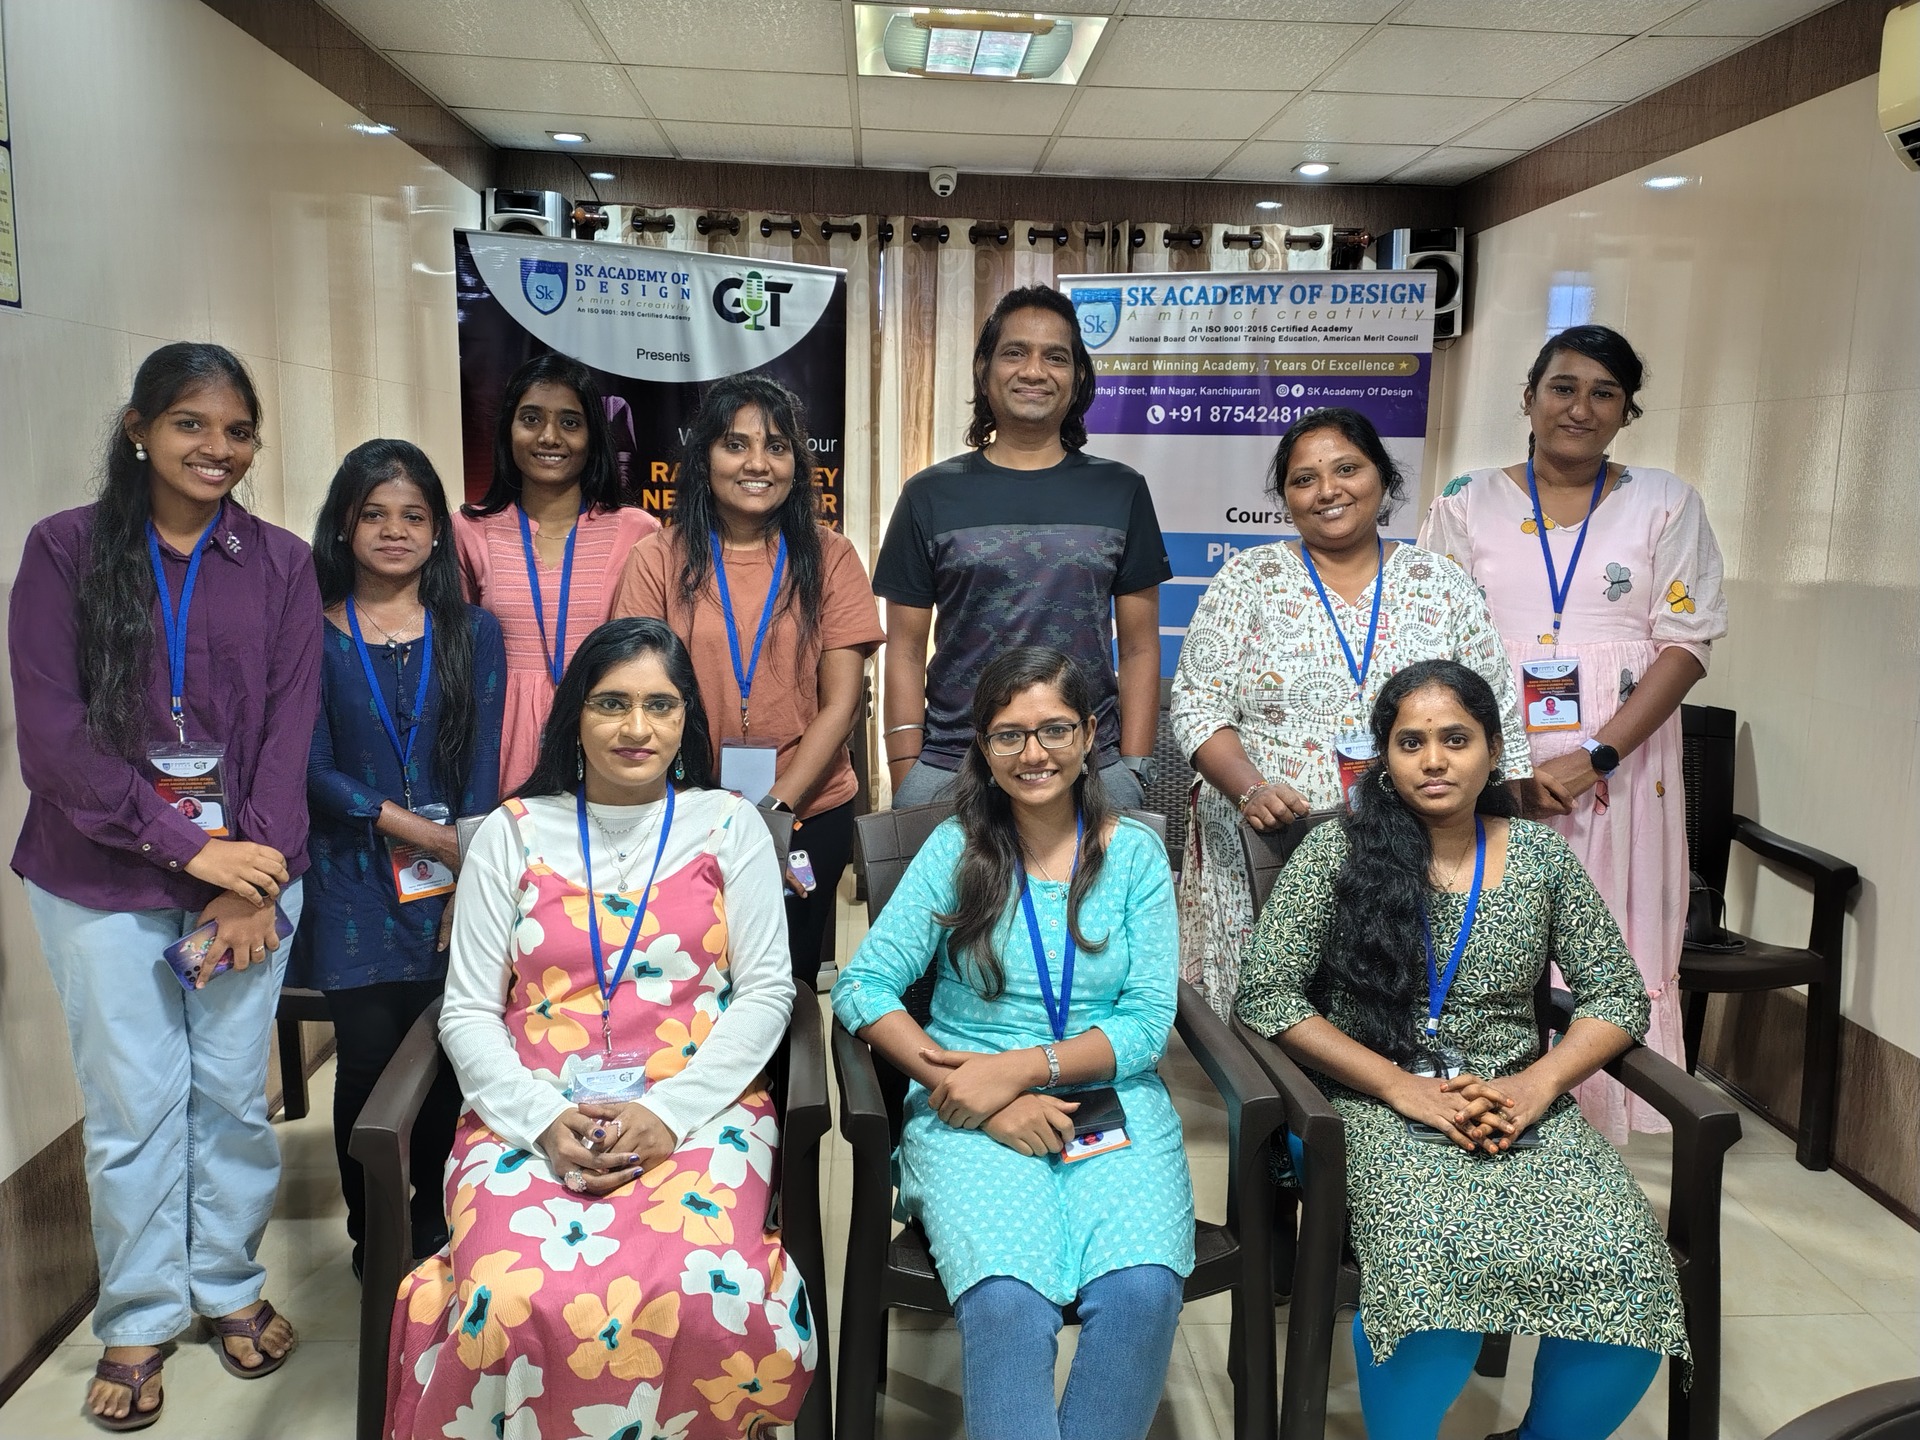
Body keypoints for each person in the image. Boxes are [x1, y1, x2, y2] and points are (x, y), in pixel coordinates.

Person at [387, 618, 816, 1440]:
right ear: (574, 717)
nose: (636, 727)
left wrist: (670, 1112)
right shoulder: (512, 832)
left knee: (704, 1288)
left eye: (661, 705)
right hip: (527, 1109)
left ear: (687, 718)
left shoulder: (728, 825)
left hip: (702, 1106)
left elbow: (767, 993)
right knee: (506, 1298)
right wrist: (542, 1120)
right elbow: (468, 1009)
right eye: (612, 703)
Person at [1235, 659, 1687, 1440]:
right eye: (1411, 743)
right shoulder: (1336, 851)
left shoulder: (1541, 857)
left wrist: (1537, 1085)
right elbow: (1267, 994)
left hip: (1516, 1106)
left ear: (1493, 750)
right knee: (1436, 1274)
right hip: (1369, 1107)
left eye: (1456, 739)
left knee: (1624, 1267)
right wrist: (1398, 1086)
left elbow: (1616, 995)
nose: (1434, 760)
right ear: (1384, 756)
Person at [9, 342, 323, 1429]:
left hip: (248, 877)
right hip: (98, 875)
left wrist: (252, 876)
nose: (217, 448)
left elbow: (288, 733)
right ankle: (141, 1312)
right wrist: (192, 852)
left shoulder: (281, 564)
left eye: (238, 430)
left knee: (233, 1094)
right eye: (192, 423)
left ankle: (227, 1283)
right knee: (133, 1103)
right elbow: (53, 739)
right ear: (138, 428)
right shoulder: (65, 550)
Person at [832, 646, 1193, 1440]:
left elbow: (1145, 1023)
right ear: (984, 748)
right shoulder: (957, 847)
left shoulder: (1133, 855)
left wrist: (1023, 1071)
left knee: (1142, 1292)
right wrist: (978, 1095)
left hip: (1111, 1098)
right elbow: (864, 988)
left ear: (1090, 734)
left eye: (1054, 729)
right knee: (1006, 1301)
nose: (1034, 753)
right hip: (967, 1107)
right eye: (1009, 735)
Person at [1419, 324, 1727, 1140]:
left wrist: (1596, 756)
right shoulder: (1465, 501)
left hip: (1622, 774)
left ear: (1626, 412)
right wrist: (1495, 770)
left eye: (1604, 393)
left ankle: (1590, 1132)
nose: (1580, 408)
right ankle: (1478, 1111)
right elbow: (1432, 643)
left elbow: (1687, 646)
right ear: (1528, 397)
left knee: (1610, 941)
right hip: (1489, 771)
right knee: (1491, 932)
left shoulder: (1666, 502)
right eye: (1563, 387)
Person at [1170, 407, 1529, 1019]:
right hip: (1268, 841)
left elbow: (1497, 722)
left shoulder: (1441, 582)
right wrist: (1251, 789)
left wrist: (1503, 854)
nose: (1327, 490)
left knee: (1399, 1009)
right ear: (1285, 497)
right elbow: (1197, 705)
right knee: (1269, 1010)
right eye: (1303, 479)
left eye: (1346, 469)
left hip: (1419, 846)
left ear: (1382, 478)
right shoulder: (1247, 580)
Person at [295, 439, 506, 1278]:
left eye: (413, 515)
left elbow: (481, 766)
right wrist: (425, 835)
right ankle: (374, 1233)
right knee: (369, 1062)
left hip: (457, 879)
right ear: (344, 525)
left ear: (437, 531)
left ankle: (438, 1220)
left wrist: (470, 865)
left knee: (455, 1054)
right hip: (349, 880)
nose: (394, 531)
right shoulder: (311, 633)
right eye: (374, 514)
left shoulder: (473, 632)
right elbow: (311, 770)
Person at [612, 373, 883, 986]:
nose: (758, 464)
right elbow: (640, 698)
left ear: (796, 464)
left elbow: (841, 705)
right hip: (683, 811)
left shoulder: (832, 556)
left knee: (784, 984)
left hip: (808, 809)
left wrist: (773, 812)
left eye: (777, 447)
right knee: (688, 980)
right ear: (704, 457)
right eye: (736, 445)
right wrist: (712, 817)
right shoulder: (658, 557)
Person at [874, 285, 1170, 811]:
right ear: (984, 369)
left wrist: (1134, 767)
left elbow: (1140, 647)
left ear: (1077, 377)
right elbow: (904, 649)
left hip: (1087, 766)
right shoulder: (929, 494)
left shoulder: (1122, 490)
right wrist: (905, 769)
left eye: (1055, 357)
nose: (1034, 371)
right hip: (955, 764)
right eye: (1015, 352)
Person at [453, 353, 659, 792]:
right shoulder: (468, 530)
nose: (549, 437)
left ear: (593, 436)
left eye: (570, 422)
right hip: (499, 745)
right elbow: (452, 655)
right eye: (531, 419)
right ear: (508, 430)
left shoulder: (637, 530)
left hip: (606, 736)